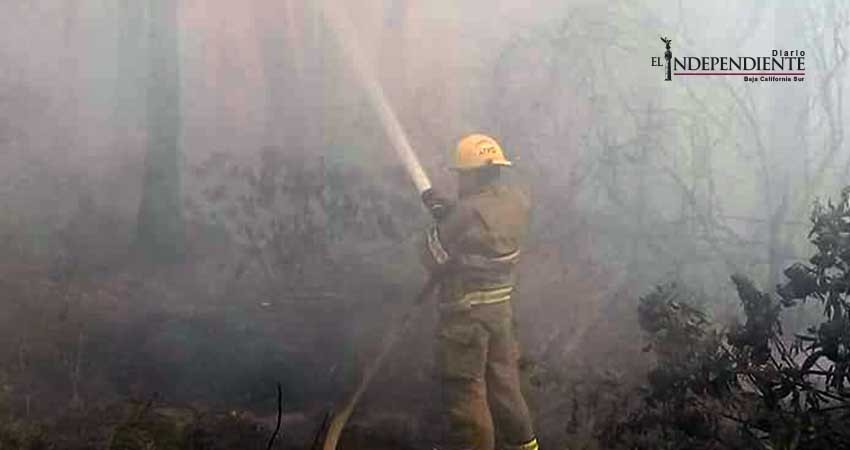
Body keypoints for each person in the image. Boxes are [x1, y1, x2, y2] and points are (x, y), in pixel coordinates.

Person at [420, 134, 538, 450]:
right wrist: (451, 214)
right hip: (500, 314)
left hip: (465, 319)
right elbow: (481, 229)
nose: (459, 179)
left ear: (472, 173)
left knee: (467, 394)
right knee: (506, 387)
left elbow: (431, 257)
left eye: (461, 173)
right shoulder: (515, 200)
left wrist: (441, 224)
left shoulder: (465, 213)